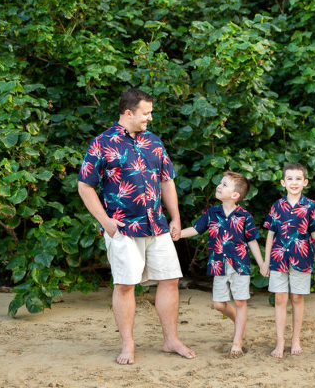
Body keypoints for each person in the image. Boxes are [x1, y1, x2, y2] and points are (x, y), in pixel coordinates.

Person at [77, 87, 195, 365]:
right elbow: (85, 186)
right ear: (128, 112)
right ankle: (128, 345)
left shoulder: (154, 142)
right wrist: (105, 222)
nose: (149, 118)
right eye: (146, 113)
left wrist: (175, 217)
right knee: (126, 285)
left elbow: (167, 181)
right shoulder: (101, 143)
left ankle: (170, 339)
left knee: (169, 280)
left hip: (158, 226)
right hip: (123, 228)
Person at [178, 171, 264, 356]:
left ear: (235, 195)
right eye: (220, 182)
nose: (219, 185)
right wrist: (177, 235)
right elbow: (195, 229)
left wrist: (262, 264)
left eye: (225, 184)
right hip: (218, 264)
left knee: (240, 301)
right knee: (218, 304)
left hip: (240, 265)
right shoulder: (211, 213)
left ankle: (237, 341)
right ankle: (238, 322)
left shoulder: (244, 216)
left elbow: (252, 241)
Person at [261, 162, 315, 359]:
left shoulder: (310, 205)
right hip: (278, 258)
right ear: (283, 182)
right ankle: (280, 341)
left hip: (302, 259)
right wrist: (265, 261)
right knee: (280, 299)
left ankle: (295, 339)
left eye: (298, 179)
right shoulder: (277, 206)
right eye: (290, 179)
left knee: (297, 298)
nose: (294, 182)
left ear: (305, 182)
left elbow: (314, 231)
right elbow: (270, 234)